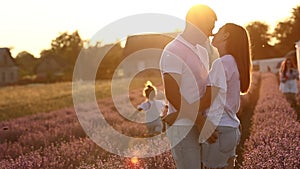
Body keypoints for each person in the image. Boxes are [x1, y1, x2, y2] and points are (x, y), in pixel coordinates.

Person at [160, 4, 219, 169]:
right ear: (195, 23)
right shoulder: (173, 50)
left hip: (199, 122)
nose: (211, 33)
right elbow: (173, 94)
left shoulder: (202, 51)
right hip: (183, 127)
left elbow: (204, 90)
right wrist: (199, 120)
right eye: (210, 26)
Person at [200, 23, 252, 168]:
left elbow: (208, 99)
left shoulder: (222, 63)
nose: (213, 34)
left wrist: (182, 110)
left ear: (226, 35)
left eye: (218, 31)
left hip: (217, 130)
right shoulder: (233, 62)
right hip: (230, 128)